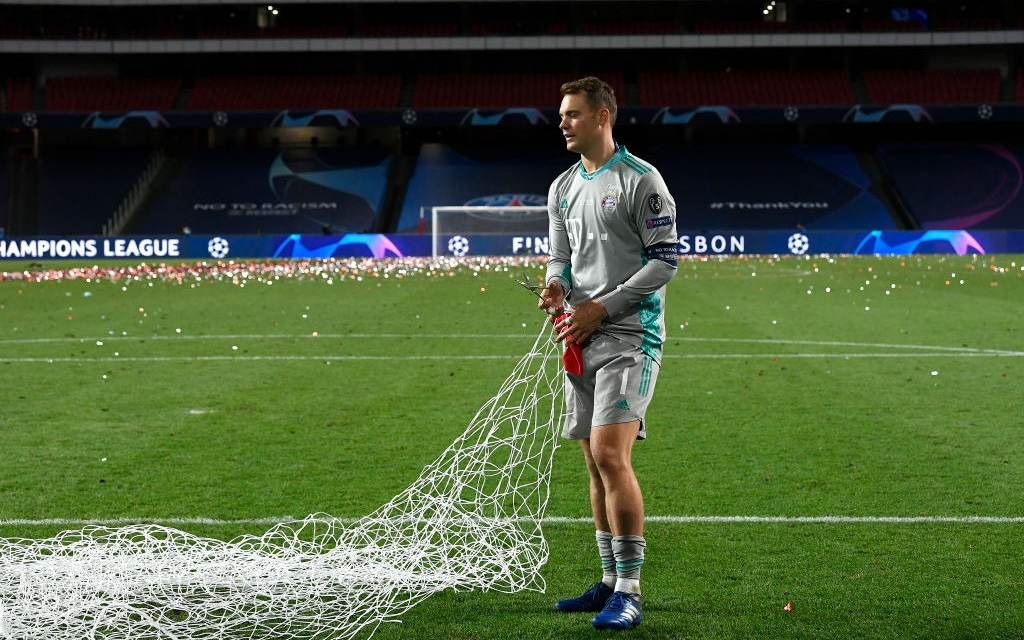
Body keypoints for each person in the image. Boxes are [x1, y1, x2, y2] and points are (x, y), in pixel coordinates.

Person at [537, 76, 678, 631]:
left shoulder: (642, 181)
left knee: (613, 456)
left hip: (630, 336)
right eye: (561, 114)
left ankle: (632, 590)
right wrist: (556, 288)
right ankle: (608, 581)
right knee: (594, 461)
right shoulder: (562, 187)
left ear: (601, 117)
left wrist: (605, 305)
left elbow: (665, 259)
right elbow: (560, 257)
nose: (562, 123)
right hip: (580, 335)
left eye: (572, 114)